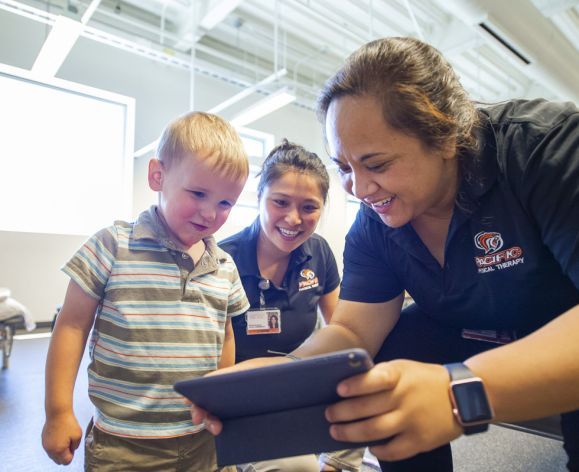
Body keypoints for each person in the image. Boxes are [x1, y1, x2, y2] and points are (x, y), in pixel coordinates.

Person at [193, 37, 579, 472]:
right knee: (391, 349)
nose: (358, 188)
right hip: (470, 330)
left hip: (561, 329)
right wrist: (278, 378)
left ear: (447, 137)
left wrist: (460, 391)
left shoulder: (547, 150)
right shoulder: (375, 225)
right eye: (344, 167)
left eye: (375, 164)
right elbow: (355, 332)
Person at [42, 111, 251, 472]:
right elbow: (72, 326)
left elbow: (225, 335)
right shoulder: (112, 246)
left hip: (202, 439)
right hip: (124, 445)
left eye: (225, 203)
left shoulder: (225, 266)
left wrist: (221, 398)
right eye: (198, 193)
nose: (210, 212)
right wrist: (58, 412)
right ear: (158, 176)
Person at [218, 140, 365, 472]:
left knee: (369, 382)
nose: (294, 218)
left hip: (298, 386)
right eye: (280, 202)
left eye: (309, 207)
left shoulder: (319, 252)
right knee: (298, 468)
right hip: (242, 397)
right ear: (259, 199)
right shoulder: (223, 259)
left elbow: (345, 330)